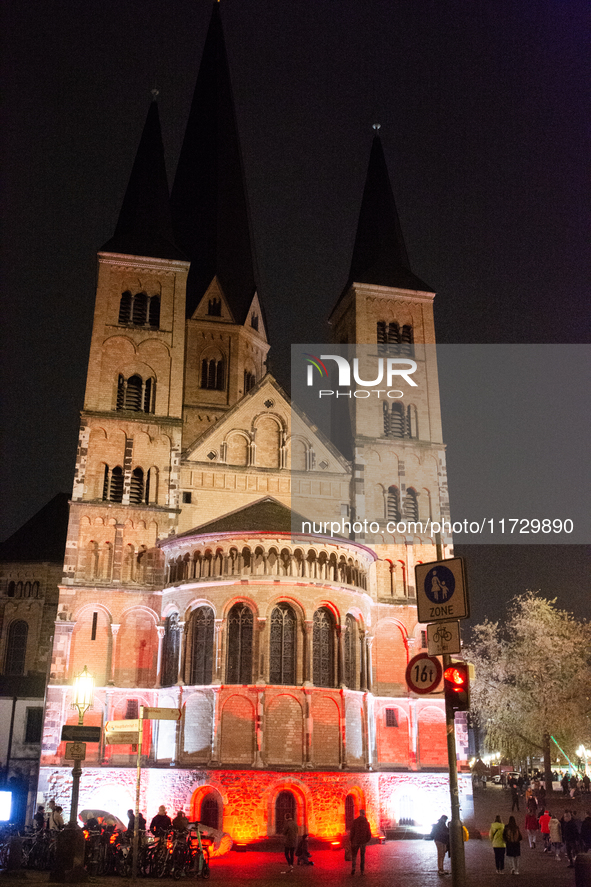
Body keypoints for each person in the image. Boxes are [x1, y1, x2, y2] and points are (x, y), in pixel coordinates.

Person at [349, 808, 372, 875]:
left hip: (355, 841)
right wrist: (366, 840)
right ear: (364, 814)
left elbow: (352, 832)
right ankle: (362, 871)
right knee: (362, 856)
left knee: (354, 855)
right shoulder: (366, 823)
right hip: (363, 841)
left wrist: (351, 840)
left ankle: (353, 868)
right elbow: (369, 833)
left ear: (360, 814)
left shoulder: (355, 822)